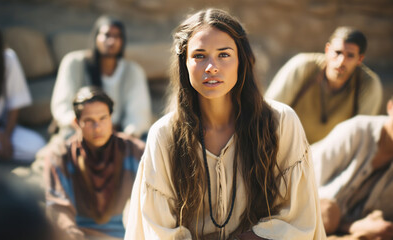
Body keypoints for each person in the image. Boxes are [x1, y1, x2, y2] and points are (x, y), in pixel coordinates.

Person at [124, 8, 325, 239]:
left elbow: (298, 218)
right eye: (199, 55)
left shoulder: (280, 123)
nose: (212, 67)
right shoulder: (165, 134)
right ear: (185, 63)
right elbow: (157, 228)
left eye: (224, 54)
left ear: (241, 60)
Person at [44, 86, 145, 240]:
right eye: (89, 121)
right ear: (77, 123)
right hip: (78, 234)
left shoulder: (135, 151)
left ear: (111, 118)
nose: (97, 128)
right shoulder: (60, 156)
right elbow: (58, 208)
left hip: (126, 234)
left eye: (103, 118)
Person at [265, 26, 382, 144]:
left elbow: (360, 137)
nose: (341, 61)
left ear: (360, 59)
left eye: (350, 56)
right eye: (337, 52)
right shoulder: (303, 67)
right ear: (327, 50)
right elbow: (269, 112)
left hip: (333, 157)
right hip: (288, 145)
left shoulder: (367, 84)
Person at [51, 15, 152, 139]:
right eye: (106, 35)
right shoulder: (74, 63)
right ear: (95, 37)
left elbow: (138, 114)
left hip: (118, 136)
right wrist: (81, 125)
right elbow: (62, 107)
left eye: (117, 36)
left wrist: (127, 137)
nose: (111, 41)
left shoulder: (132, 71)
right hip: (79, 132)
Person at [312, 95, 393, 239]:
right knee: (328, 212)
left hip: (344, 227)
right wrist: (350, 226)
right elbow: (303, 181)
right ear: (390, 107)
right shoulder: (357, 130)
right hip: (308, 207)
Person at [0, 14, 46, 161]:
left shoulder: (7, 59)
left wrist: (5, 136)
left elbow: (15, 102)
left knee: (37, 146)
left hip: (0, 124)